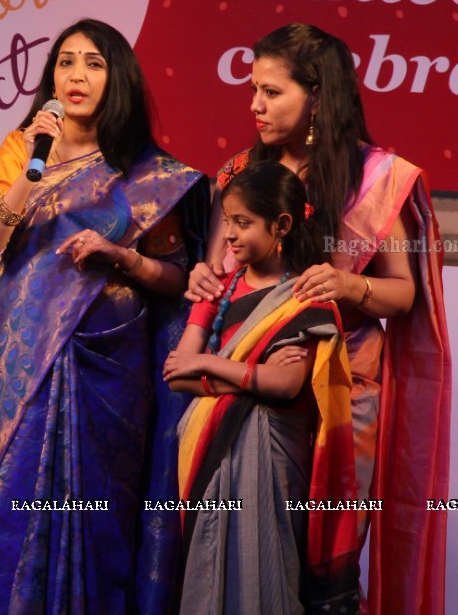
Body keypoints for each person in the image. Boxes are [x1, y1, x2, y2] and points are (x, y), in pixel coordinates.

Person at [187, 23, 451, 615]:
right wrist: (201, 279)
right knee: (235, 549)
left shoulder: (379, 179)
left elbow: (404, 293)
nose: (255, 104)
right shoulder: (238, 174)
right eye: (252, 89)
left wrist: (346, 284)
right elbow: (218, 274)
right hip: (241, 386)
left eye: (272, 91)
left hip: (339, 394)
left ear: (319, 97)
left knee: (321, 568)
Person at [0, 18, 209, 614]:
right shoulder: (23, 149)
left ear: (116, 77)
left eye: (94, 63)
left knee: (98, 518)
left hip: (108, 369)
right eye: (66, 62)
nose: (76, 75)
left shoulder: (149, 173)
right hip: (16, 360)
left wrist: (123, 258)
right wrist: (32, 170)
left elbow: (176, 278)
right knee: (8, 514)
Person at [165, 162, 358, 614]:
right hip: (207, 454)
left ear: (281, 225)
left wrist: (210, 364)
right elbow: (177, 373)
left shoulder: (305, 300)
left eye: (243, 223)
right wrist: (251, 374)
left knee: (267, 567)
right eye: (227, 221)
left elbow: (287, 384)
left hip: (274, 462)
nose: (228, 235)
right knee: (209, 562)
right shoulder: (218, 290)